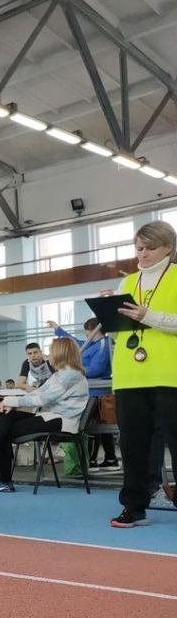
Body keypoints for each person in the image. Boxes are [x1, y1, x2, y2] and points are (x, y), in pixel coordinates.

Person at [108, 220, 177, 527]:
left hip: (170, 373)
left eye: (150, 248)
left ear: (169, 248)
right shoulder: (127, 282)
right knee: (132, 444)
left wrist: (149, 316)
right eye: (138, 248)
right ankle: (134, 506)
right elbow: (118, 334)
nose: (143, 254)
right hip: (129, 375)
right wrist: (109, 317)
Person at [0, 337, 90, 492]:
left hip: (63, 421)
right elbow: (38, 392)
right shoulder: (60, 374)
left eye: (51, 351)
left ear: (60, 353)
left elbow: (42, 399)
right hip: (51, 416)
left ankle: (1, 475)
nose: (48, 355)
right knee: (5, 415)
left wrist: (10, 401)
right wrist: (9, 403)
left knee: (4, 430)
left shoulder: (71, 374)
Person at [48, 316, 117, 470]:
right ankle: (108, 459)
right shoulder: (91, 344)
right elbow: (76, 343)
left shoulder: (103, 344)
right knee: (97, 427)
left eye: (87, 333)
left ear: (94, 331)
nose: (86, 336)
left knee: (91, 427)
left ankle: (93, 459)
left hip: (98, 392)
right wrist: (59, 330)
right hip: (91, 390)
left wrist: (75, 372)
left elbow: (97, 368)